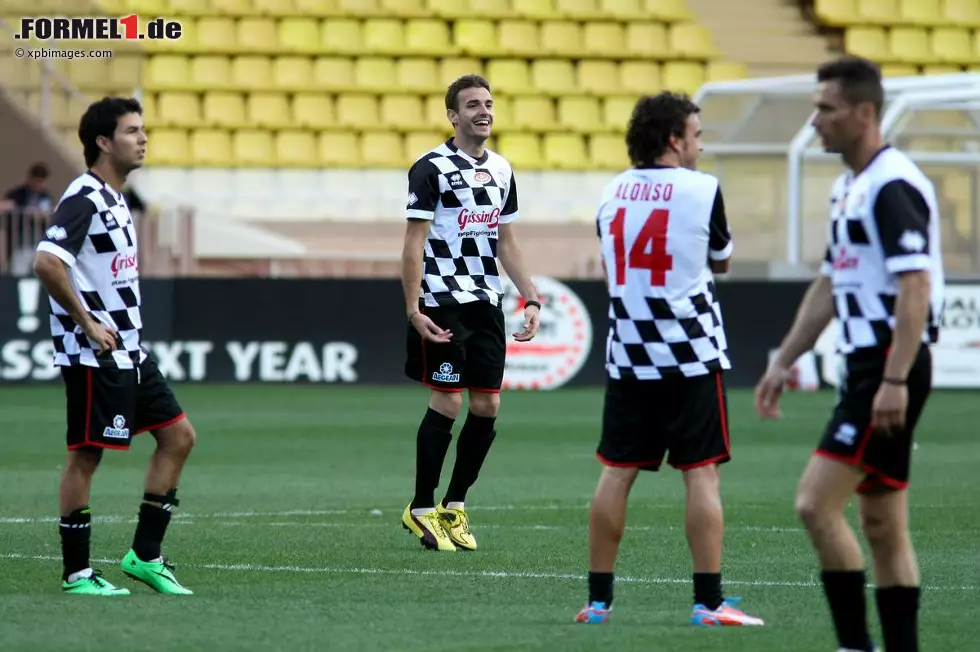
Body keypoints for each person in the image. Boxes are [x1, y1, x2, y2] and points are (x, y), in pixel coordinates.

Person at [755, 56, 944, 652]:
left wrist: (893, 378)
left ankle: (854, 646)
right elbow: (831, 284)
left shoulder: (891, 186)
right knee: (884, 525)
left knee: (815, 504)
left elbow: (915, 285)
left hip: (887, 362)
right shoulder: (850, 187)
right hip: (872, 364)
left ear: (864, 113)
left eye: (826, 108)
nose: (815, 122)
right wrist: (783, 359)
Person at [574, 92, 764, 628]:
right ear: (675, 139)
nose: (702, 146)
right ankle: (708, 602)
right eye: (697, 136)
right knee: (701, 476)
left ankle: (598, 603)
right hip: (691, 354)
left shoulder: (611, 191)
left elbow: (614, 272)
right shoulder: (703, 190)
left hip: (629, 354)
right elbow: (722, 261)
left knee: (616, 473)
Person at [33, 97, 197, 596]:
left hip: (128, 351)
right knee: (85, 457)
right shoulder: (84, 196)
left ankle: (144, 556)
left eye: (143, 129)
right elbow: (47, 261)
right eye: (131, 130)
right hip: (93, 355)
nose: (143, 138)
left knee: (179, 437)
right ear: (103, 142)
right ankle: (77, 573)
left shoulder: (116, 196)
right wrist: (87, 323)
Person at [400, 74, 540, 552]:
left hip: (485, 303)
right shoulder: (430, 168)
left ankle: (454, 506)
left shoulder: (502, 170)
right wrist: (413, 307)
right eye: (473, 104)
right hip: (441, 302)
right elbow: (413, 243)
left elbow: (507, 241)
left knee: (487, 405)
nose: (484, 111)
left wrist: (531, 296)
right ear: (453, 115)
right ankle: (421, 508)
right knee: (448, 401)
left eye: (489, 103)